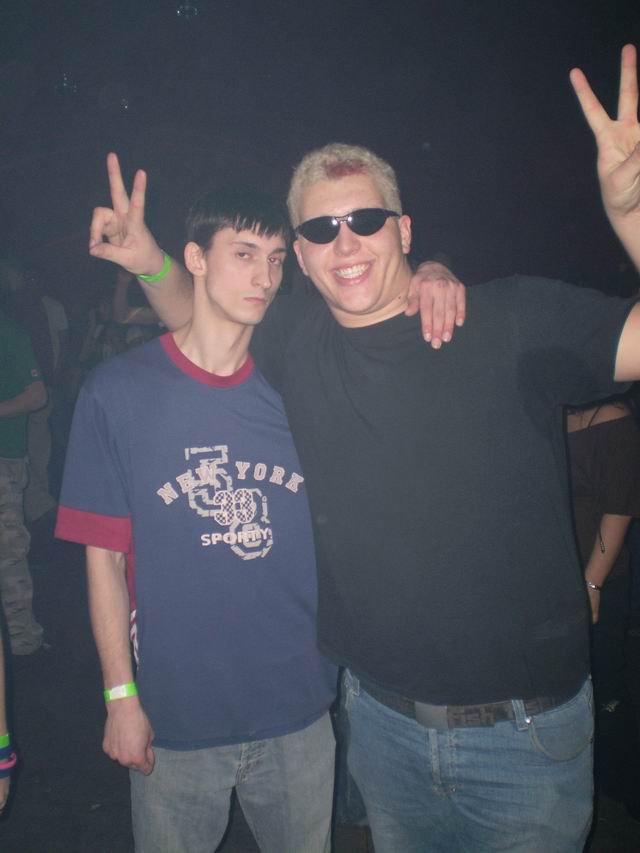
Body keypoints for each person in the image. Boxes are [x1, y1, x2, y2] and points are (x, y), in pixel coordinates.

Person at [91, 45, 640, 852]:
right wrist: (149, 261)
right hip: (381, 726)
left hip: (523, 741)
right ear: (302, 256)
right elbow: (195, 307)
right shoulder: (296, 344)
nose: (345, 242)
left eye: (366, 220)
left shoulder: (510, 321)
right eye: (320, 229)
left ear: (404, 228)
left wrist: (631, 217)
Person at [57, 183, 462, 851]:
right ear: (195, 259)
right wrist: (119, 697)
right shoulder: (119, 392)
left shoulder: (300, 385)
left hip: (299, 708)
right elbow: (102, 556)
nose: (265, 277)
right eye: (244, 254)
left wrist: (432, 270)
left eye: (275, 259)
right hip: (176, 712)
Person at [567, 399, 640, 813]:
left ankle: (627, 785)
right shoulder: (555, 416)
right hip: (559, 582)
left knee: (606, 687)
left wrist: (592, 583)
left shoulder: (613, 419)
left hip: (600, 582)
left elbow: (618, 510)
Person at [0, 308, 47, 656]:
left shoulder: (9, 333)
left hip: (3, 456)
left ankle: (22, 640)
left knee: (7, 552)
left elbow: (37, 396)